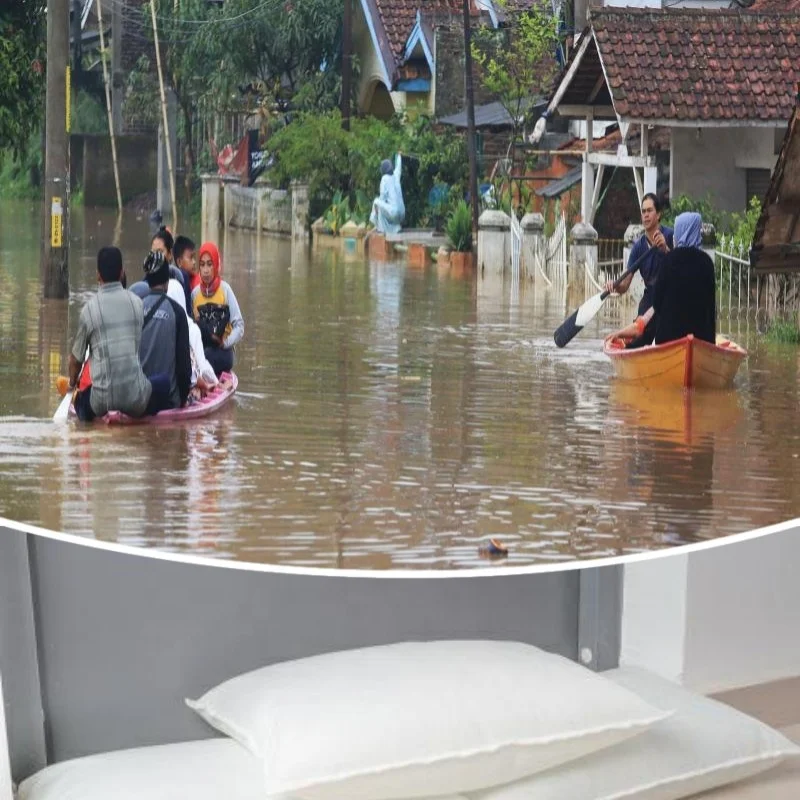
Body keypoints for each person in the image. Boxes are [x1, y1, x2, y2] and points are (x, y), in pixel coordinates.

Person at [68, 247, 171, 422]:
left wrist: (72, 384)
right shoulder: (137, 304)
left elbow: (75, 360)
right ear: (122, 273)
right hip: (136, 400)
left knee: (81, 401)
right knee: (164, 383)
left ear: (98, 275)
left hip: (101, 403)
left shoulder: (89, 310)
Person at [605, 212, 715, 347]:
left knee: (646, 331)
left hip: (669, 340)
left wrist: (623, 332)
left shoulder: (669, 261)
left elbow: (657, 304)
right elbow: (711, 308)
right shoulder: (707, 263)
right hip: (703, 339)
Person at [605, 193, 673, 349]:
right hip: (650, 298)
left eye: (649, 211)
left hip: (670, 296)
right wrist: (614, 286)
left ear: (659, 214)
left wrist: (666, 249)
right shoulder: (638, 247)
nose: (646, 215)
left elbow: (680, 269)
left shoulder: (670, 236)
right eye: (643, 211)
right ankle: (631, 343)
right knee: (640, 337)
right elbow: (625, 286)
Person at [139, 250, 193, 410]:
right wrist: (183, 401)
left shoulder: (134, 308)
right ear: (167, 281)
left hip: (137, 400)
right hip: (169, 401)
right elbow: (184, 367)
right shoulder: (177, 312)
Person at [191, 241, 244, 377]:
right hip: (201, 351)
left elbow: (239, 326)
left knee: (207, 356)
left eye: (210, 264)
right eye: (202, 265)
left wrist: (225, 343)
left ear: (216, 265)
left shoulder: (225, 290)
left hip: (223, 351)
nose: (206, 270)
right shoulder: (195, 294)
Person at [166, 278, 219, 395]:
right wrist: (216, 382)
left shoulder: (161, 326)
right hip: (185, 389)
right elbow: (202, 367)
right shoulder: (191, 329)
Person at [129, 226, 187, 299]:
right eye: (153, 252)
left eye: (160, 251)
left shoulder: (181, 277)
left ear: (170, 253)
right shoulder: (146, 282)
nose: (155, 256)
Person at [369, 153, 405, 235]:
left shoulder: (384, 179)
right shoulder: (396, 175)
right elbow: (398, 167)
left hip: (394, 213)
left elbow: (382, 197)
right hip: (402, 214)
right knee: (383, 206)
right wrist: (399, 156)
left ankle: (379, 228)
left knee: (377, 202)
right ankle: (396, 229)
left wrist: (377, 211)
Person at [174, 234, 198, 311]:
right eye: (190, 258)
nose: (194, 262)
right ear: (179, 262)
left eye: (194, 257)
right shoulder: (184, 277)